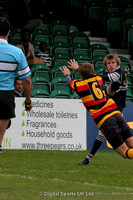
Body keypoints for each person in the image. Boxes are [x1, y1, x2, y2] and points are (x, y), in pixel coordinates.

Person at [60, 62, 133, 160]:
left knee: (126, 153)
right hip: (117, 114)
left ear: (81, 75)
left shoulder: (79, 85)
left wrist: (67, 74)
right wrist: (77, 69)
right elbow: (89, 75)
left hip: (106, 120)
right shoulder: (98, 78)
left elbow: (69, 82)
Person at [0, 17, 32, 153]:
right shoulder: (17, 52)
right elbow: (27, 80)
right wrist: (28, 100)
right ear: (8, 32)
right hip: (5, 94)